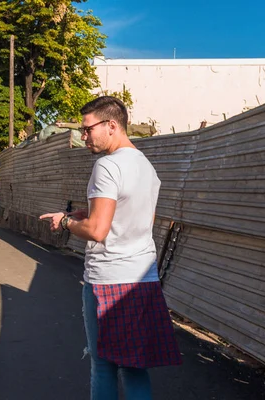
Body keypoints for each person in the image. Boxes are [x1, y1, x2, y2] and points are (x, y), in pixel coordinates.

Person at [40, 96, 181, 400]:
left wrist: (65, 223)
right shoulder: (146, 166)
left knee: (103, 365)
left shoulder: (107, 166)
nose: (83, 136)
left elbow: (97, 231)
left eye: (87, 129)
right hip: (142, 279)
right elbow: (138, 220)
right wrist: (84, 216)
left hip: (109, 280)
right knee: (134, 367)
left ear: (112, 125)